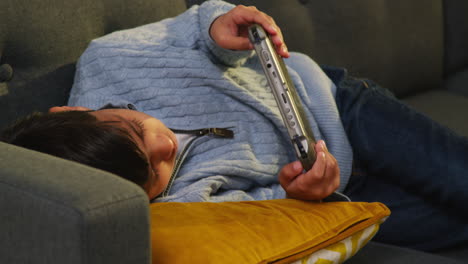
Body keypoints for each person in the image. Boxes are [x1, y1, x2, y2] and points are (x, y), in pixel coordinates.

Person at [1, 0, 468, 252]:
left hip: (337, 104)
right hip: (345, 188)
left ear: (71, 113)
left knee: (457, 175)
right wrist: (299, 195)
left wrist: (218, 26)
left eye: (138, 129)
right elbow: (257, 209)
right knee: (451, 228)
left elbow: (189, 28)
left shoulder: (111, 60)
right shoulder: (181, 204)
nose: (164, 145)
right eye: (155, 174)